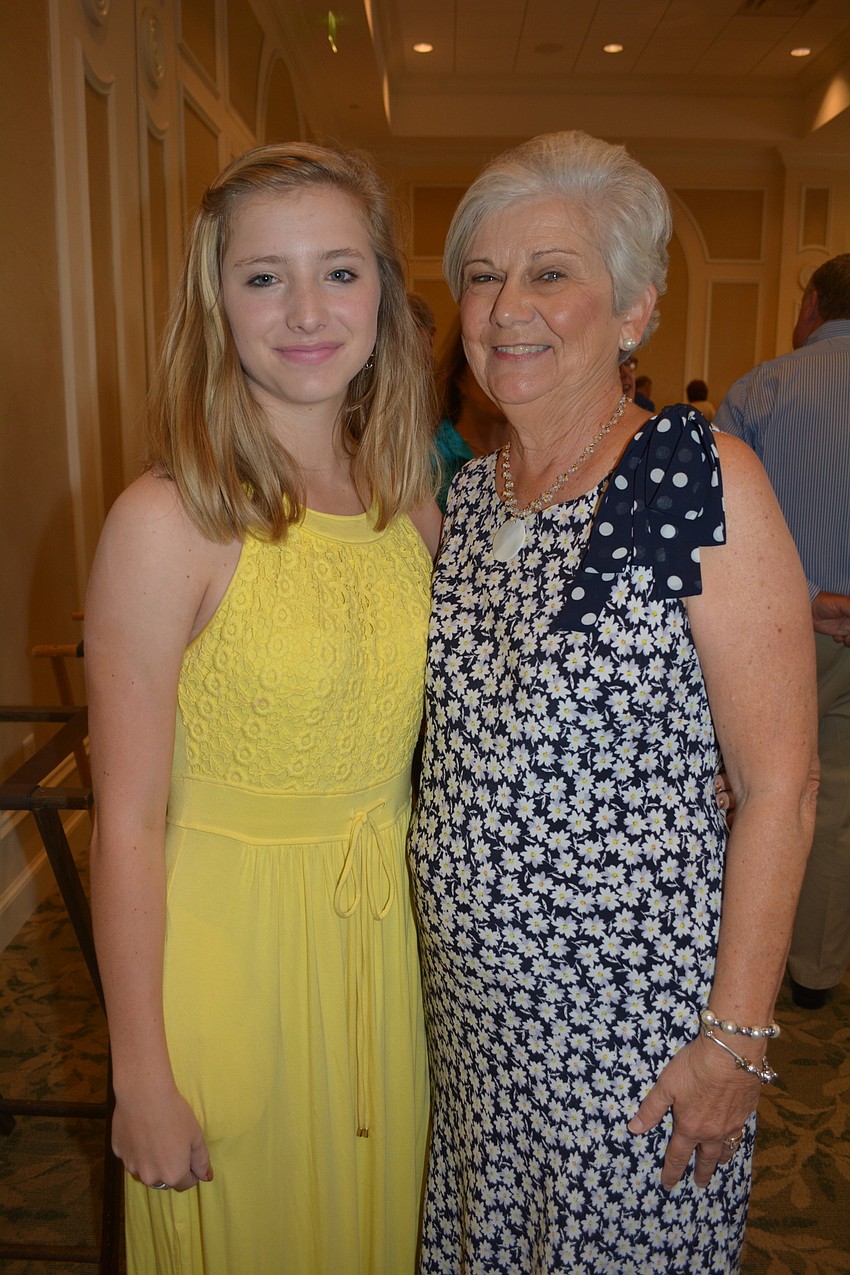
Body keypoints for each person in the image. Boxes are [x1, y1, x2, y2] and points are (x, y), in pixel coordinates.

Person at [408, 130, 818, 1273]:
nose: (507, 308)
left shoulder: (694, 472)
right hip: (472, 1031)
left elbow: (780, 786)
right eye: (483, 276)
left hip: (630, 1039)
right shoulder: (472, 495)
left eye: (550, 273)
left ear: (635, 309)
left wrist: (734, 1042)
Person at [85, 142, 441, 1275]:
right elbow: (127, 822)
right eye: (263, 276)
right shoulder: (168, 520)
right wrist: (140, 1074)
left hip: (380, 958)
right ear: (217, 301)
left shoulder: (409, 505)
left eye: (338, 271)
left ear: (381, 292)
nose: (306, 311)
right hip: (229, 967)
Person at [715, 253, 850, 1010]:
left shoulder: (762, 389)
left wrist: (807, 597)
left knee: (769, 792)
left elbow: (715, 529)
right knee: (835, 807)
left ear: (812, 305)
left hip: (783, 630)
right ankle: (817, 973)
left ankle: (746, 976)